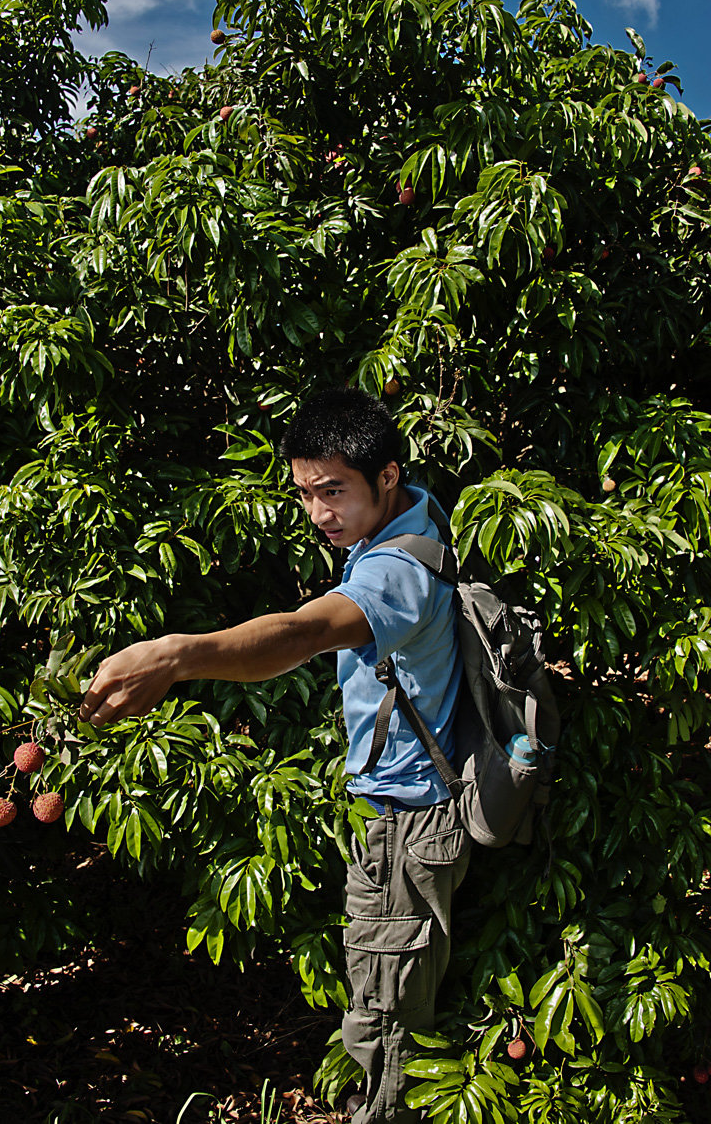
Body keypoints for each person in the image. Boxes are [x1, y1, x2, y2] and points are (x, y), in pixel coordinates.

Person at [79, 387, 470, 1124]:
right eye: (304, 494)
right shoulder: (416, 512)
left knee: (384, 1020)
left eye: (334, 491)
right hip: (418, 812)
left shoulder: (396, 573)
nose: (320, 514)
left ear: (386, 475)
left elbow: (300, 633)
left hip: (406, 822)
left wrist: (178, 656)